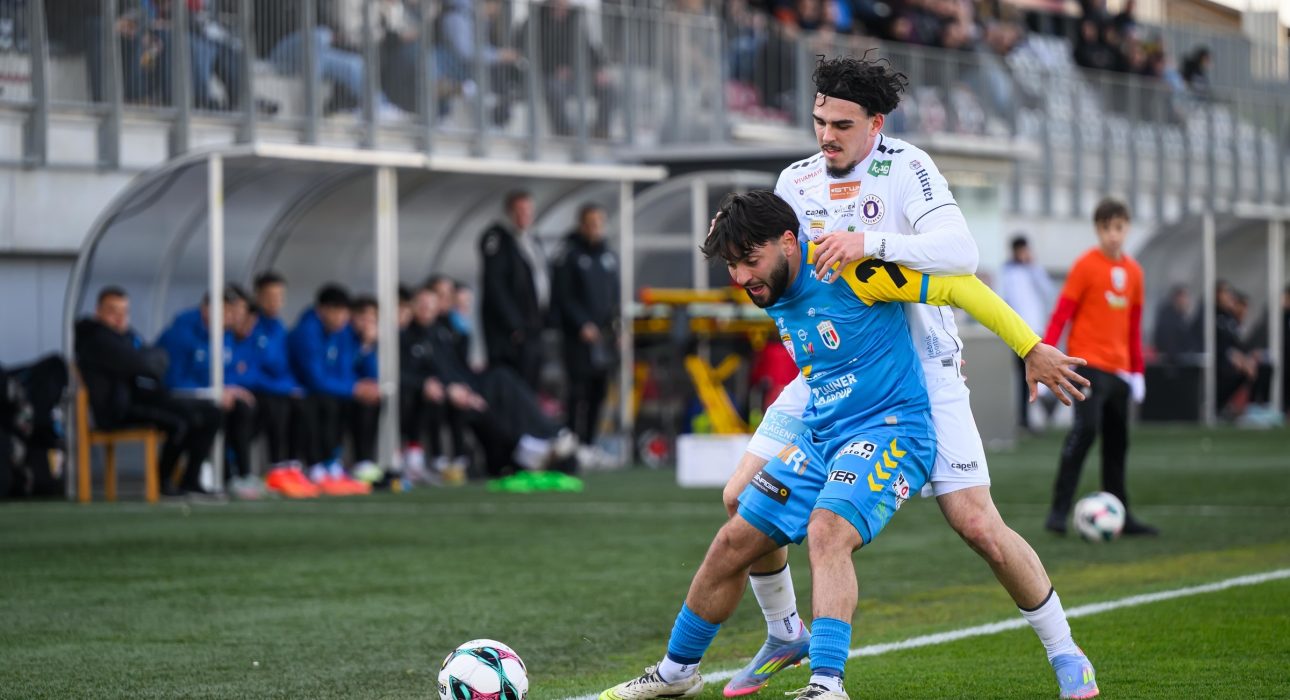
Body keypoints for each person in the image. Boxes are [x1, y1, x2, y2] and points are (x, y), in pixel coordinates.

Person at [599, 191, 1093, 700]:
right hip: (823, 431)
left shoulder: (850, 267)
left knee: (829, 529)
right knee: (733, 538)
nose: (742, 277)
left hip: (892, 430)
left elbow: (957, 284)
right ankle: (677, 672)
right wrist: (731, 224)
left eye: (749, 260)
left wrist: (1030, 347)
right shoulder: (772, 279)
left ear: (788, 242)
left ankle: (827, 683)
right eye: (732, 265)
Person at [712, 56, 1095, 699]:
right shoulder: (795, 180)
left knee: (977, 525)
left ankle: (1066, 651)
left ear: (876, 125)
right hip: (831, 370)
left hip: (923, 370)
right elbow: (776, 254)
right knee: (739, 497)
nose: (826, 136)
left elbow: (961, 255)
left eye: (842, 125)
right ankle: (785, 633)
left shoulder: (907, 168)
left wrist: (871, 243)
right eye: (818, 122)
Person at [1043, 197, 1157, 536]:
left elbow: (1134, 326)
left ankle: (1122, 513)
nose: (1113, 234)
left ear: (1127, 228)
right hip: (1087, 365)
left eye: (1118, 227)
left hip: (1120, 371)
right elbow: (1062, 313)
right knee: (1086, 431)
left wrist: (1137, 371)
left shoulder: (1135, 273)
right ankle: (1058, 512)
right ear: (1098, 230)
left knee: (1117, 442)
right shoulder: (1085, 266)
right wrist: (1045, 352)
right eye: (1106, 228)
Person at [75, 287, 221, 497]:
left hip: (144, 399)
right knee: (181, 421)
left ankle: (190, 479)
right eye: (113, 311)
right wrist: (146, 361)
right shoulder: (96, 338)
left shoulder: (126, 336)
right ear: (98, 311)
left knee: (212, 412)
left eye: (124, 312)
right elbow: (142, 363)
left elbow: (158, 359)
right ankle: (163, 481)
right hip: (118, 410)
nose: (119, 317)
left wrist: (146, 361)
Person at [155, 286, 261, 495]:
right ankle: (166, 477)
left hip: (200, 395)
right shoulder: (181, 333)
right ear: (207, 309)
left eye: (233, 312)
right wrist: (214, 392)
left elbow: (223, 371)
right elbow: (174, 381)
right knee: (207, 414)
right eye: (227, 311)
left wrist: (229, 388)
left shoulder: (224, 335)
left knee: (242, 407)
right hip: (169, 395)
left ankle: (239, 475)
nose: (232, 317)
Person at [287, 283, 380, 494]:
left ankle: (350, 462)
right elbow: (314, 379)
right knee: (325, 404)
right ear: (323, 310)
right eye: (338, 312)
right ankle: (317, 465)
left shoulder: (341, 332)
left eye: (345, 313)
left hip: (328, 391)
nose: (342, 318)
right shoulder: (307, 332)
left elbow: (347, 371)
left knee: (365, 400)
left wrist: (367, 346)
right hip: (303, 391)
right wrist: (354, 388)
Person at [552, 204, 619, 445]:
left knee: (598, 391)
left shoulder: (608, 256)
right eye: (591, 223)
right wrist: (581, 324)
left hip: (603, 338)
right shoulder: (569, 255)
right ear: (582, 225)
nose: (595, 228)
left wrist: (617, 327)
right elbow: (563, 296)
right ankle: (571, 440)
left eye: (599, 223)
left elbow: (615, 295)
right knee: (577, 391)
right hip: (577, 338)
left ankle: (589, 443)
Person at [479, 190, 549, 391]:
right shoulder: (497, 238)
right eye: (519, 211)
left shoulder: (532, 240)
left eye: (528, 211)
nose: (524, 216)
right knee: (513, 385)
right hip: (512, 331)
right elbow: (495, 286)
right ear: (508, 213)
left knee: (532, 382)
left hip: (534, 325)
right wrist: (515, 325)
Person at [1000, 235, 1057, 431]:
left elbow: (1048, 291)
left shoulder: (1034, 270)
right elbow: (1003, 299)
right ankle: (1025, 419)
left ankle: (1043, 406)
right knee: (1024, 376)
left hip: (1037, 331)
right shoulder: (1007, 272)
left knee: (1039, 371)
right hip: (1017, 333)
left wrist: (1033, 267)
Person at [1152, 284, 1197, 361]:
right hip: (1171, 363)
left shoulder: (1179, 317)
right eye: (1185, 298)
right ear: (1178, 298)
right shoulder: (1168, 318)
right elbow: (1170, 346)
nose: (1187, 302)